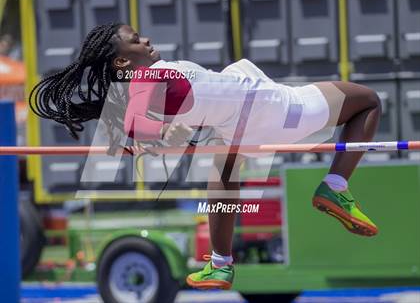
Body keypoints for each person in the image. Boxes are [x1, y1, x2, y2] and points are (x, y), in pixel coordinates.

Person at [30, 23, 382, 290]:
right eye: (137, 40)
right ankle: (335, 186)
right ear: (122, 59)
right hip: (280, 111)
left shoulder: (142, 89)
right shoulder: (155, 77)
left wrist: (152, 136)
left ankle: (221, 262)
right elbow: (140, 126)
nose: (147, 40)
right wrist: (151, 134)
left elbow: (133, 135)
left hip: (245, 125)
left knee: (225, 167)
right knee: (367, 101)